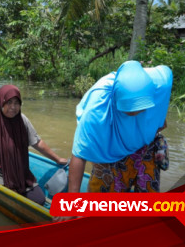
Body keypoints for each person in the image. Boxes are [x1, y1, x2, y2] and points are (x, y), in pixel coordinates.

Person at [68, 61, 173, 194]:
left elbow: (161, 124)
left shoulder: (161, 83)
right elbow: (79, 154)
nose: (134, 115)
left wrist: (150, 127)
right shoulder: (96, 110)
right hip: (109, 147)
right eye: (128, 112)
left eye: (141, 109)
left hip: (144, 145)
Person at [0, 85, 68, 205]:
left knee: (39, 199)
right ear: (1, 101)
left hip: (18, 171)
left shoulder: (22, 120)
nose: (13, 107)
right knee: (11, 200)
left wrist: (58, 159)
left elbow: (37, 142)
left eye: (16, 103)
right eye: (9, 102)